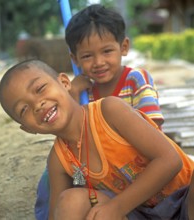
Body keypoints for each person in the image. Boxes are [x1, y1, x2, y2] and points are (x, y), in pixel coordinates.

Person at [0, 59, 194, 220]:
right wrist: (113, 209)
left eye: (40, 88)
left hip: (184, 198)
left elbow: (170, 160)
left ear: (65, 83)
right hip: (138, 213)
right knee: (71, 201)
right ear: (28, 129)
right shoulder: (59, 160)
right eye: (23, 109)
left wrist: (117, 207)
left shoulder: (109, 111)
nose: (37, 104)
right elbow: (56, 214)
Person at [36, 4, 165, 219]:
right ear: (74, 59)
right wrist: (73, 96)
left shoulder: (135, 80)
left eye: (107, 51)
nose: (98, 62)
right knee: (51, 177)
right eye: (87, 56)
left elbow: (153, 129)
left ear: (123, 47)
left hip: (137, 170)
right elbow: (70, 139)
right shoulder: (84, 91)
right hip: (101, 176)